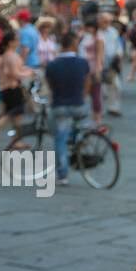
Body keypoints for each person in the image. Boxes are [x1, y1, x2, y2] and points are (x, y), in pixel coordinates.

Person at [45, 30, 91, 186]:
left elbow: (50, 86)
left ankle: (63, 173)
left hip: (60, 105)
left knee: (59, 138)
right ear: (73, 44)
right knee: (75, 125)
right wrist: (83, 96)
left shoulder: (52, 65)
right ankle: (77, 140)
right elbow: (88, 82)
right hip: (79, 105)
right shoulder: (82, 63)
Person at [0, 30, 33, 151]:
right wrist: (29, 73)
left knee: (15, 115)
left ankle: (16, 140)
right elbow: (13, 73)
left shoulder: (8, 55)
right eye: (16, 40)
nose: (18, 42)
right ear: (11, 42)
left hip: (8, 88)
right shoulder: (10, 56)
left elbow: (15, 69)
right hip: (12, 88)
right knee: (11, 114)